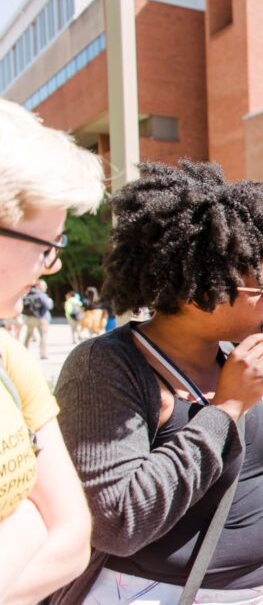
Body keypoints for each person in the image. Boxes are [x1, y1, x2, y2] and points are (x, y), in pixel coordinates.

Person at [54, 160, 263, 604]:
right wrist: (227, 407)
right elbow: (118, 521)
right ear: (201, 291)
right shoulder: (105, 367)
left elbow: (239, 458)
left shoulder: (225, 358)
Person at [0, 98, 99, 603]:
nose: (52, 266)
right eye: (47, 245)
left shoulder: (10, 360)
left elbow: (73, 537)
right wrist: (27, 524)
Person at [21, 279, 53, 358]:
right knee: (43, 336)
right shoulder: (41, 294)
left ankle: (24, 352)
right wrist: (41, 315)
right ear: (40, 286)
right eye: (44, 286)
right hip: (41, 318)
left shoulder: (28, 293)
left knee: (28, 335)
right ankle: (43, 354)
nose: (46, 287)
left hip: (29, 318)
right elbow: (47, 305)